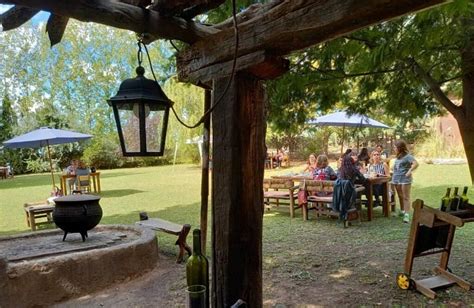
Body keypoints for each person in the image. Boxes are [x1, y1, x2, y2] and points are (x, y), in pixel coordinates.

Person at [392, 140, 418, 223]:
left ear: (400, 148)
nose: (394, 149)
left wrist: (410, 171)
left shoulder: (408, 156)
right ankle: (402, 211)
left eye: (395, 147)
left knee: (406, 197)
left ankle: (406, 215)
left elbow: (415, 163)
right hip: (396, 179)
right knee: (400, 195)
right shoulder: (398, 156)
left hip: (405, 179)